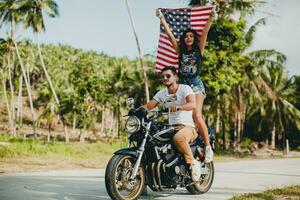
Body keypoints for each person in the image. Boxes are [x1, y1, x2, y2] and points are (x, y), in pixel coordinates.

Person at [156, 5, 218, 162]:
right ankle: (187, 143)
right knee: (179, 115)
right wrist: (162, 19)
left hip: (196, 85)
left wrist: (211, 15)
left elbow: (205, 32)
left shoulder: (199, 50)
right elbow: (170, 36)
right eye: (186, 36)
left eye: (191, 36)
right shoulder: (181, 52)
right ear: (184, 39)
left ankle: (208, 146)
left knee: (197, 114)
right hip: (183, 85)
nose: (189, 38)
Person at [142, 66, 201, 182]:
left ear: (175, 77)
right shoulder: (162, 93)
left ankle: (193, 162)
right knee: (150, 140)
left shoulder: (185, 89)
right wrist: (136, 111)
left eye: (168, 76)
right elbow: (149, 106)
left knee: (178, 138)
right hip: (171, 128)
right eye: (163, 76)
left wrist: (179, 106)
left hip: (187, 127)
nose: (165, 78)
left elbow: (193, 104)